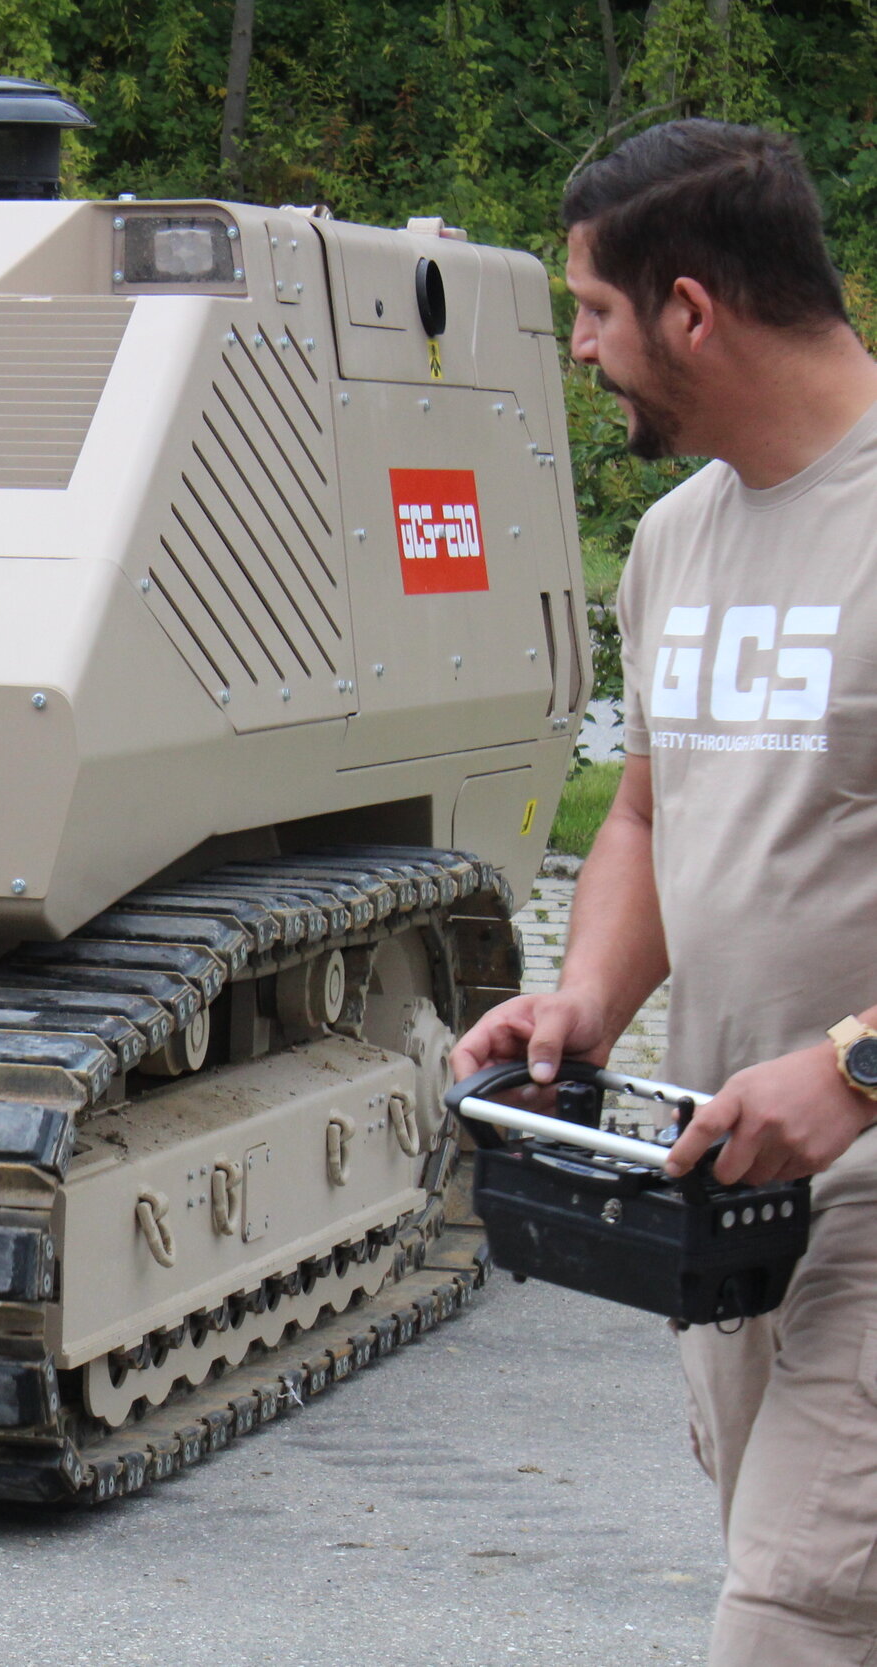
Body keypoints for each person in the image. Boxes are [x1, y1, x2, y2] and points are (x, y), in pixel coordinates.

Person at [450, 118, 877, 1666]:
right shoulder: (682, 536)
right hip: (734, 1200)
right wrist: (588, 1001)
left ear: (690, 308)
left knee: (795, 1618)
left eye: (593, 310)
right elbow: (644, 804)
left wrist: (853, 1067)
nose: (580, 347)